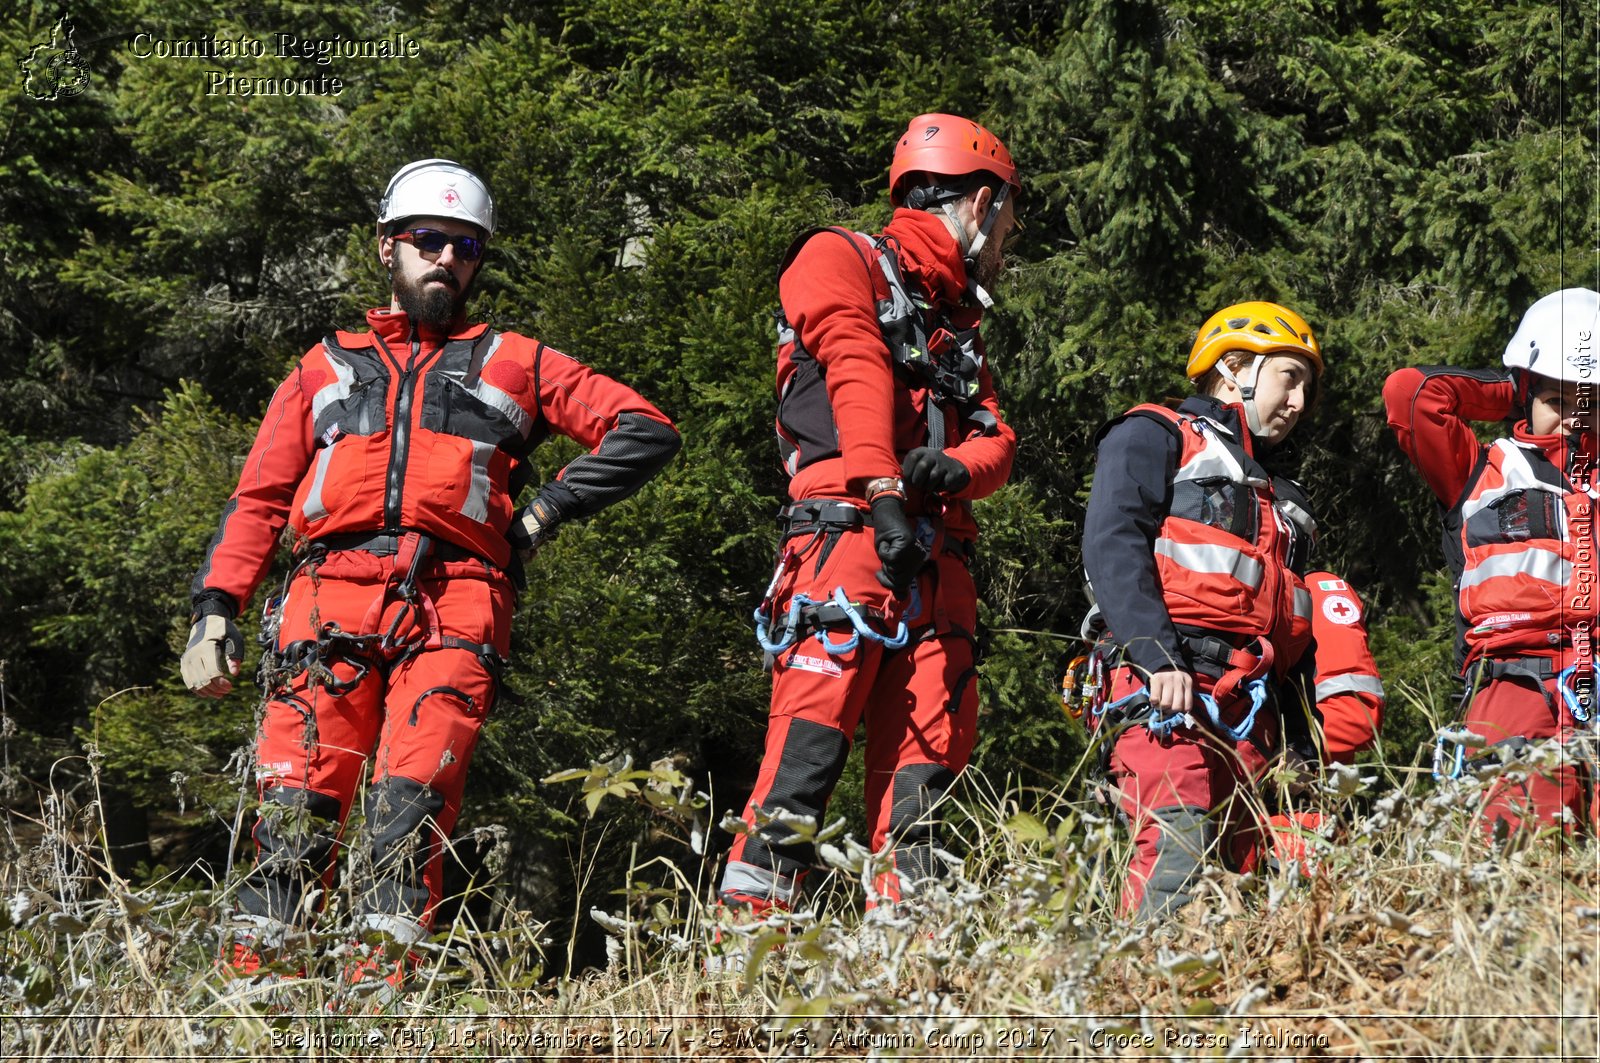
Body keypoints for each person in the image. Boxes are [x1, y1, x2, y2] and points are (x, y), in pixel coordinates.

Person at [181, 159, 681, 982]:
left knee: (407, 817)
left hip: (456, 605)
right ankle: (260, 1011)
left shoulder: (515, 360)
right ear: (389, 247)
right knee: (293, 818)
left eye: (465, 246)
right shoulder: (324, 366)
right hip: (323, 603)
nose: (446, 258)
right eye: (427, 240)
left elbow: (645, 428)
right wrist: (215, 607)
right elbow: (260, 497)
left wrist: (539, 514)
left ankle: (379, 1009)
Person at [718, 114, 1020, 915]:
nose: (1006, 245)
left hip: (937, 565)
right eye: (1007, 223)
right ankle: (743, 973)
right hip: (846, 540)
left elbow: (999, 436)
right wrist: (885, 490)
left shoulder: (958, 324)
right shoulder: (839, 257)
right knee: (803, 769)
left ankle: (908, 981)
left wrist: (957, 466)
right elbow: (853, 366)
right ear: (981, 203)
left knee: (926, 790)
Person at [1081, 301, 1381, 920]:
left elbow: (1291, 636)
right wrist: (1157, 657)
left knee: (1246, 882)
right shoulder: (1155, 434)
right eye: (1288, 377)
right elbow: (1112, 545)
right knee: (1175, 846)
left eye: (1307, 388)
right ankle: (1144, 1005)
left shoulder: (1285, 503)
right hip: (1165, 686)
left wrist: (1301, 743)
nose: (1299, 402)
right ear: (1233, 367)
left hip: (1252, 712)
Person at [1383, 286, 1600, 840]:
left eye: (1590, 402)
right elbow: (1412, 394)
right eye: (1559, 399)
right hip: (1511, 690)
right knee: (1512, 860)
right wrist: (1515, 384)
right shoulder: (1478, 471)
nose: (1575, 419)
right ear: (1527, 394)